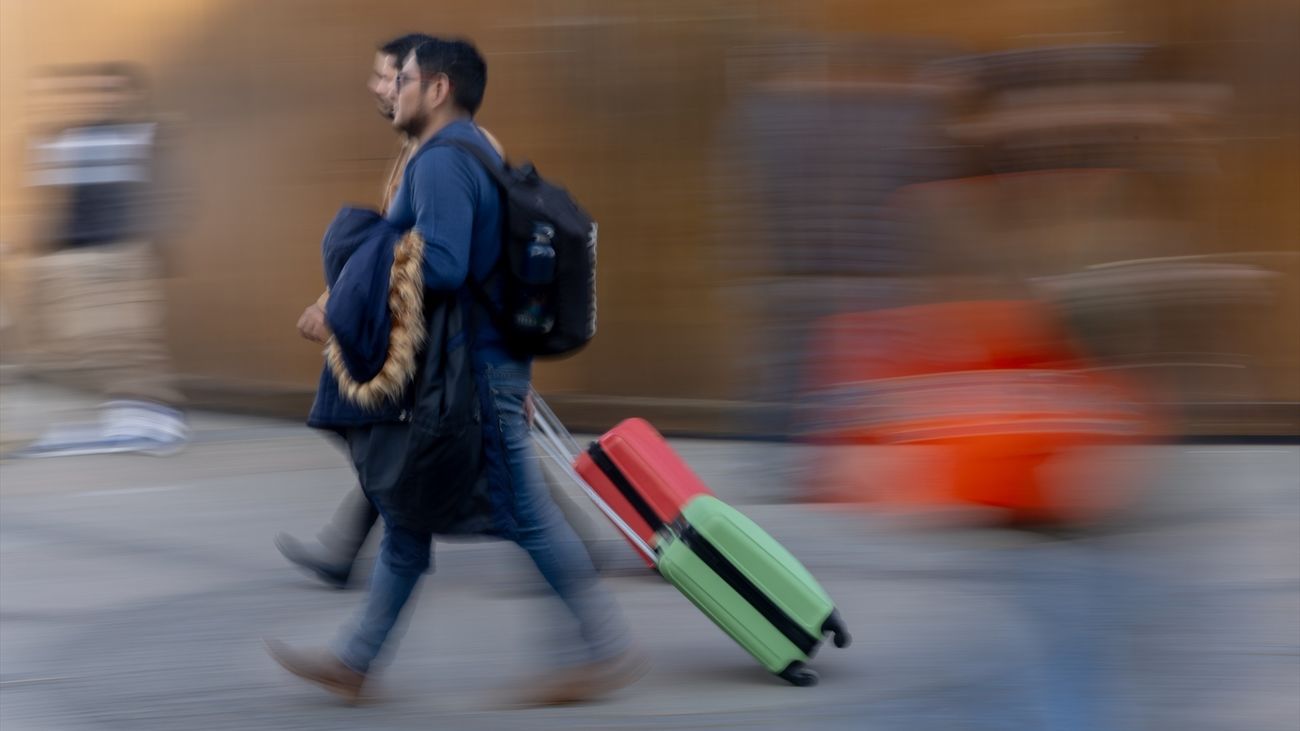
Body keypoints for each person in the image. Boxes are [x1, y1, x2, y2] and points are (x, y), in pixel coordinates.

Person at [267, 38, 645, 706]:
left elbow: (442, 264)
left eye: (403, 78)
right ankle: (356, 662)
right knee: (406, 516)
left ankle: (602, 649)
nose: (392, 90)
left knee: (527, 517)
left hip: (469, 375)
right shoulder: (476, 151)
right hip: (481, 368)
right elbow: (489, 270)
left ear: (437, 88)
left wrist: (349, 295)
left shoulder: (441, 162)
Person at [19, 63, 188, 457]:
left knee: (125, 339)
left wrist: (150, 245)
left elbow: (169, 193)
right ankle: (138, 414)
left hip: (122, 252)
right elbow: (49, 201)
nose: (99, 98)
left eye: (111, 90)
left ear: (131, 95)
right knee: (90, 342)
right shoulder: (59, 138)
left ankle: (155, 416)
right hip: (73, 256)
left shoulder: (145, 135)